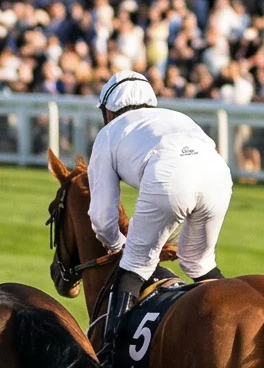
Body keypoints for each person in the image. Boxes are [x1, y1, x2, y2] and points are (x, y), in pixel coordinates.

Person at [84, 70, 234, 328]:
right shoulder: (176, 116)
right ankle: (235, 317)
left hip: (170, 175)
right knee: (199, 261)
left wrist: (119, 244)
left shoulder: (108, 133)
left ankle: (108, 355)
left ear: (108, 113)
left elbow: (102, 219)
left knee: (134, 265)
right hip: (219, 174)